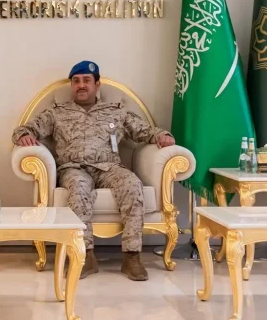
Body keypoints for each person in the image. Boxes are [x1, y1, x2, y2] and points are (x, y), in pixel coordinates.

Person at [12, 61, 175, 281]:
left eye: (86, 80)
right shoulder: (57, 112)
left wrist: (162, 136)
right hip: (74, 169)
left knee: (132, 184)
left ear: (97, 85)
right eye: (76, 81)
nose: (81, 85)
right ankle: (85, 255)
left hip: (109, 168)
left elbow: (144, 131)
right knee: (78, 188)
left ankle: (132, 257)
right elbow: (25, 129)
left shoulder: (115, 111)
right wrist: (23, 136)